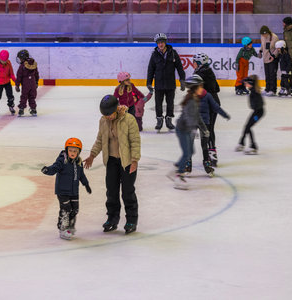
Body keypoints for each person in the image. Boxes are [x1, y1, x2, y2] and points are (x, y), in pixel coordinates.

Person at [84, 95, 141, 234]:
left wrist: (134, 160)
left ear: (116, 109)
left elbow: (135, 141)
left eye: (109, 114)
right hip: (111, 161)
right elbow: (100, 140)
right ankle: (112, 218)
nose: (107, 117)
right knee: (111, 192)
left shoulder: (129, 120)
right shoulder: (103, 121)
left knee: (128, 192)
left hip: (126, 162)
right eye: (104, 114)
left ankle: (131, 220)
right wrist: (92, 155)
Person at [41, 138, 91, 240]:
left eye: (75, 151)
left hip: (74, 191)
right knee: (66, 209)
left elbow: (81, 175)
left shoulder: (79, 162)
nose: (72, 153)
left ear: (78, 152)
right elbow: (54, 168)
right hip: (62, 190)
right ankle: (63, 229)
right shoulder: (62, 160)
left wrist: (86, 184)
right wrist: (47, 170)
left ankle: (70, 226)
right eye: (70, 150)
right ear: (67, 150)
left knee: (75, 209)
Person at [168, 76, 209, 189]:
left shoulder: (195, 99)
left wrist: (204, 129)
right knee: (187, 153)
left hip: (187, 130)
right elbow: (188, 117)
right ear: (195, 88)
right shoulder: (191, 101)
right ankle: (179, 176)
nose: (202, 88)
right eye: (200, 86)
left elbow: (197, 116)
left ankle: (176, 169)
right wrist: (193, 130)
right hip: (183, 130)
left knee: (190, 152)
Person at [146, 33, 186, 131]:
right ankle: (159, 120)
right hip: (159, 84)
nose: (161, 44)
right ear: (157, 44)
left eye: (162, 42)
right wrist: (149, 83)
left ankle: (169, 120)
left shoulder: (173, 53)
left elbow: (179, 67)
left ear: (165, 42)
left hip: (170, 84)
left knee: (170, 103)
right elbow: (150, 69)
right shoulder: (154, 55)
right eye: (159, 42)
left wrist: (182, 80)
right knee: (158, 103)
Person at [192, 52, 222, 167]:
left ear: (199, 63)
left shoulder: (199, 74)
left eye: (194, 62)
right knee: (210, 129)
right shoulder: (209, 71)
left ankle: (210, 157)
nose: (193, 64)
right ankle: (213, 155)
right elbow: (217, 88)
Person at [197, 77, 231, 176]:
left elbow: (216, 107)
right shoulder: (193, 96)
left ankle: (207, 163)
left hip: (204, 123)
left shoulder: (206, 96)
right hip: (196, 122)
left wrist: (224, 114)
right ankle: (189, 163)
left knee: (203, 144)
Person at [235, 75, 265, 155]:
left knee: (249, 127)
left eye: (245, 83)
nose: (244, 85)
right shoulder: (252, 91)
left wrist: (254, 107)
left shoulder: (255, 93)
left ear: (250, 83)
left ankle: (253, 147)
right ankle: (241, 143)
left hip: (258, 113)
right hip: (256, 112)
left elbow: (260, 104)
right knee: (247, 126)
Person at [0, 50, 16, 117]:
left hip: (7, 82)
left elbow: (11, 73)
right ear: (0, 58)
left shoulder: (8, 63)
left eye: (5, 60)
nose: (4, 62)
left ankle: (11, 106)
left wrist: (15, 81)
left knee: (10, 95)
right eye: (3, 60)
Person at [15, 49, 40, 117]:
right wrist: (36, 82)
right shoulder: (34, 64)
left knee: (24, 97)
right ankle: (33, 109)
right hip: (33, 83)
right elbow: (36, 75)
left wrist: (17, 85)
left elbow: (19, 76)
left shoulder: (22, 66)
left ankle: (21, 109)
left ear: (23, 58)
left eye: (20, 58)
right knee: (32, 97)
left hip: (26, 84)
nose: (19, 60)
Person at [259, 25, 279, 96]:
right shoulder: (262, 37)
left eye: (264, 34)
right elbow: (262, 45)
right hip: (265, 58)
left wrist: (274, 55)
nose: (263, 35)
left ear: (268, 32)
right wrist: (260, 51)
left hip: (272, 59)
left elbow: (277, 48)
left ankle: (273, 90)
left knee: (272, 74)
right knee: (267, 75)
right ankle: (267, 88)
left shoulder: (274, 37)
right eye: (262, 34)